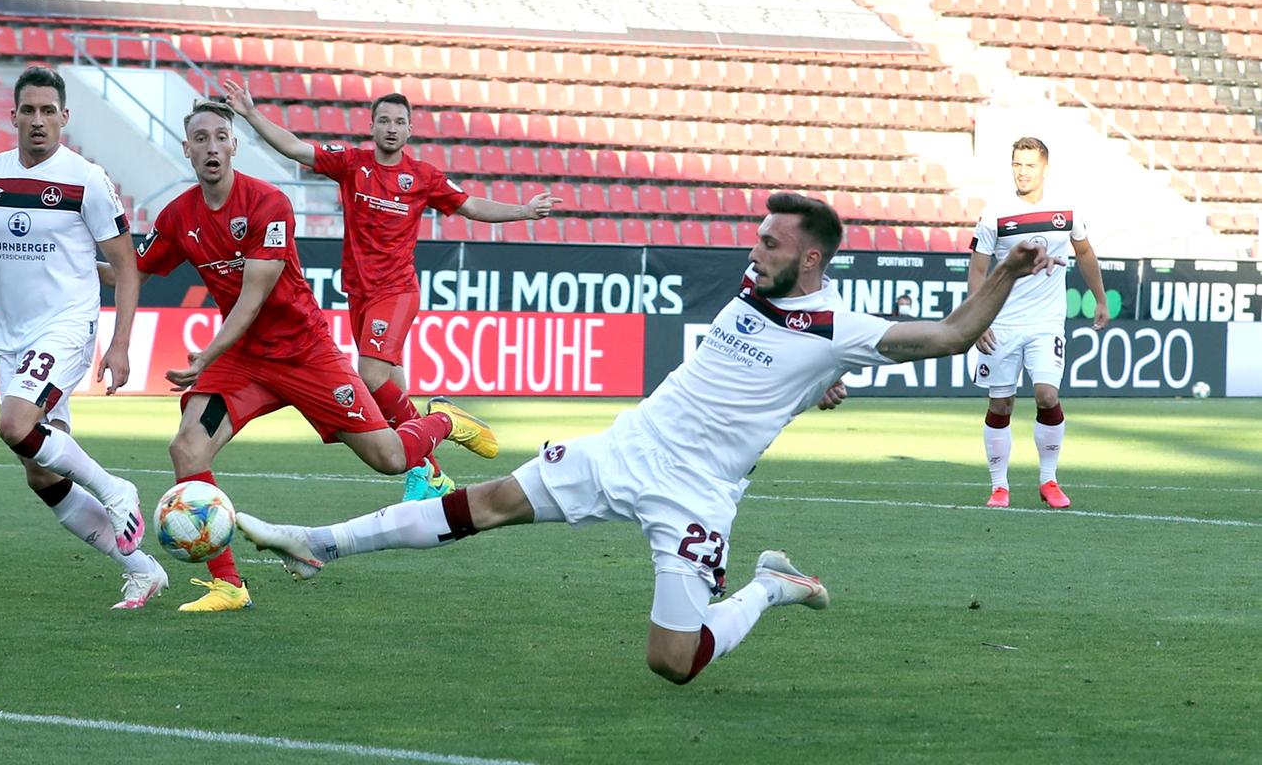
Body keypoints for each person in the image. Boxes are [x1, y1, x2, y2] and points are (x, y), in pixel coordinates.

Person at [237, 192, 1059, 685]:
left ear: (810, 261)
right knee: (483, 503)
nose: (752, 248)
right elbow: (771, 378)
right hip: (626, 447)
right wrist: (815, 387)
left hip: (696, 494)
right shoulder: (757, 293)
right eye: (756, 235)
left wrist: (1009, 272)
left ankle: (771, 588)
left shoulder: (839, 323)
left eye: (769, 242)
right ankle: (316, 543)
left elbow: (952, 336)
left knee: (673, 663)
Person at [112, 98, 498, 612]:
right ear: (186, 149)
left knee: (389, 458)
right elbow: (132, 270)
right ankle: (228, 585)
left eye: (218, 137)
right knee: (187, 449)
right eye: (199, 139)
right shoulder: (179, 216)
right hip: (244, 360)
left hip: (306, 353)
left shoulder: (268, 202)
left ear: (233, 144)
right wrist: (66, 262)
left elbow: (252, 298)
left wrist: (205, 356)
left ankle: (443, 420)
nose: (210, 146)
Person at [222, 80, 559, 501]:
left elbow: (471, 205)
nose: (392, 128)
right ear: (372, 126)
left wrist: (524, 211)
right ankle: (433, 474)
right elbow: (296, 148)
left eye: (400, 122)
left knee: (370, 376)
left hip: (396, 292)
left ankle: (440, 430)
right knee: (392, 394)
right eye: (384, 120)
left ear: (410, 130)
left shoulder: (423, 177)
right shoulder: (352, 164)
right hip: (360, 296)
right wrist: (252, 114)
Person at [0, 66, 164, 609]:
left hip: (68, 326)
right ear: (14, 116)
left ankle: (116, 490)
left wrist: (119, 345)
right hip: (12, 338)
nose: (39, 121)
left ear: (65, 118)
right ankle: (142, 570)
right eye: (30, 111)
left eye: (49, 111)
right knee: (39, 472)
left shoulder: (87, 180)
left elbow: (126, 265)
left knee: (13, 423)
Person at [968, 137, 1108, 509]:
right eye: (1017, 164)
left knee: (1047, 395)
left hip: (1046, 323)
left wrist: (1101, 298)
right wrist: (978, 320)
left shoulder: (1066, 210)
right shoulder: (994, 214)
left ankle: (1049, 479)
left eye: (1030, 165)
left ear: (1045, 167)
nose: (1023, 171)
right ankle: (1000, 486)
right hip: (1002, 323)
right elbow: (978, 271)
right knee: (1001, 404)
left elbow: (1085, 252)